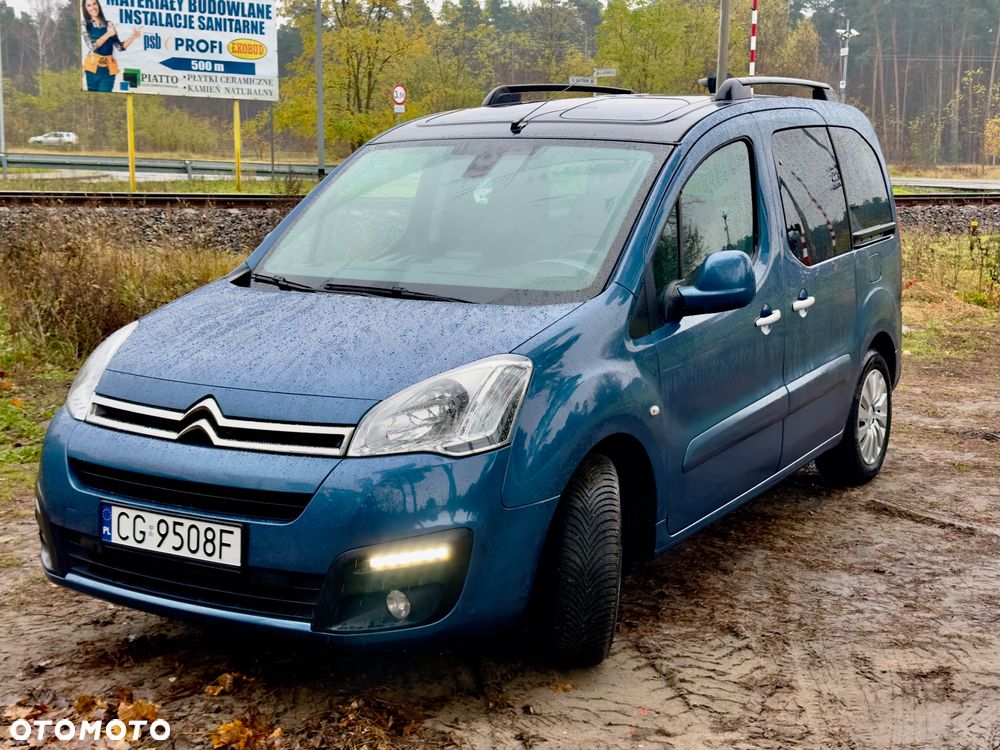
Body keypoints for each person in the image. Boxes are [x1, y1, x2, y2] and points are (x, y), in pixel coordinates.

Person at [81, 0, 140, 93]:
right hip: (92, 68)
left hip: (108, 70)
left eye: (94, 4)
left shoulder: (109, 24)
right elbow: (92, 46)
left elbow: (120, 47)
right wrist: (108, 34)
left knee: (104, 98)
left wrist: (133, 36)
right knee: (92, 101)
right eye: (88, 5)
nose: (92, 8)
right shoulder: (85, 25)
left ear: (98, 5)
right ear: (85, 9)